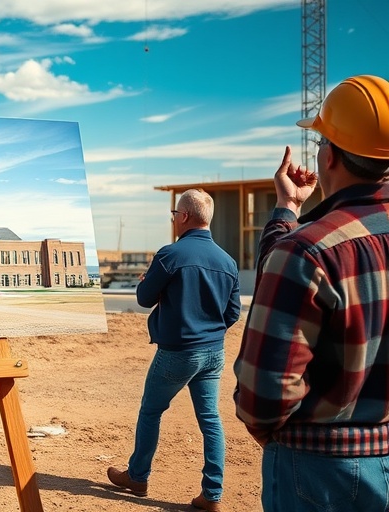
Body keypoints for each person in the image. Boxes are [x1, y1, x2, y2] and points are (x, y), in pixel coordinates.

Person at [234, 75, 389, 511]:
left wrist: (285, 437)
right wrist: (290, 209)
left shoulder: (308, 252)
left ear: (333, 154)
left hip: (322, 470)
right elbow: (281, 273)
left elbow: (264, 396)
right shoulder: (305, 250)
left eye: (320, 142)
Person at [107, 188, 240, 512]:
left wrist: (148, 282)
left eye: (173, 215)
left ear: (183, 216)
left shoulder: (171, 254)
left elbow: (143, 298)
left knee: (151, 411)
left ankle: (138, 477)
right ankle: (212, 494)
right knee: (210, 419)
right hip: (213, 351)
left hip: (178, 351)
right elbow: (233, 313)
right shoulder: (228, 261)